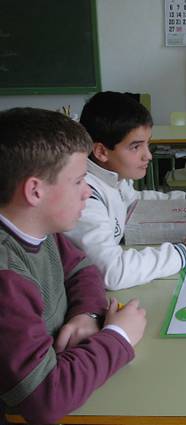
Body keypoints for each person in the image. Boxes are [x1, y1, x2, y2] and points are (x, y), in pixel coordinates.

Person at [0, 108, 147, 423]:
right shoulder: (7, 277)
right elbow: (44, 400)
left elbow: (83, 270)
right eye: (79, 180)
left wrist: (87, 314)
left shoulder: (42, 229)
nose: (87, 192)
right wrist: (119, 335)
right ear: (35, 191)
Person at [65, 92, 186, 291]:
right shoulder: (85, 196)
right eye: (136, 147)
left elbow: (135, 202)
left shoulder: (113, 176)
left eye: (148, 143)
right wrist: (185, 252)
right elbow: (112, 272)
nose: (148, 155)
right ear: (102, 151)